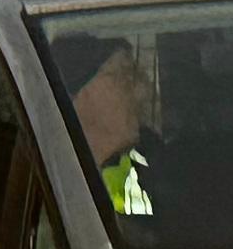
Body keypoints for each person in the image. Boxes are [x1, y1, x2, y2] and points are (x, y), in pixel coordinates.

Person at [56, 35, 163, 217]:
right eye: (122, 77)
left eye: (134, 76)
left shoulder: (156, 165)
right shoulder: (49, 184)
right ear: (77, 98)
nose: (142, 91)